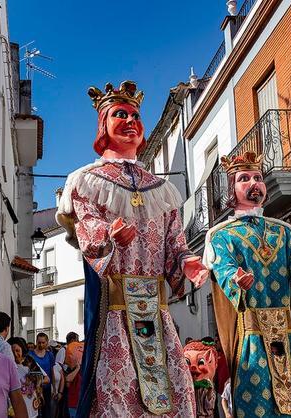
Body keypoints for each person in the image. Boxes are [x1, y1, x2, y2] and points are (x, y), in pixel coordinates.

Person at [55, 80, 208, 416]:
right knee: (118, 389)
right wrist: (110, 234)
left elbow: (174, 243)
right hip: (116, 310)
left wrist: (187, 263)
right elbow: (87, 227)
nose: (130, 121)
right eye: (119, 114)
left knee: (169, 388)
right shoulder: (87, 180)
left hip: (157, 312)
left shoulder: (163, 189)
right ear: (103, 126)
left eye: (136, 115)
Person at [203, 151, 291, 417]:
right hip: (250, 337)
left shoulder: (285, 231)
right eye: (244, 178)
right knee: (257, 403)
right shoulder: (221, 236)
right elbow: (224, 268)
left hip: (286, 335)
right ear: (232, 189)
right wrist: (236, 280)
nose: (254, 183)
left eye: (257, 177)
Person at [8, 338, 47, 418]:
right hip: (15, 408)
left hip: (32, 407)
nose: (15, 354)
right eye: (12, 351)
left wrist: (34, 380)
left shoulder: (30, 362)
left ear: (23, 350)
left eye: (17, 350)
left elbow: (46, 379)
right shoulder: (8, 365)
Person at [183, 340, 218, 418]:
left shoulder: (207, 386)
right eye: (187, 362)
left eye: (201, 362)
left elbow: (209, 406)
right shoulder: (185, 388)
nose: (193, 367)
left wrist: (209, 391)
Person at [29, 333, 55, 417]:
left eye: (43, 342)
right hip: (34, 389)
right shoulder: (30, 354)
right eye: (39, 342)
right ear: (36, 341)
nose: (41, 344)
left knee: (47, 412)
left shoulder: (49, 355)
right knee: (35, 411)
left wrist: (53, 387)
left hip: (46, 388)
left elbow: (52, 371)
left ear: (47, 342)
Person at [53, 332, 78, 418]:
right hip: (65, 383)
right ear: (72, 340)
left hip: (73, 383)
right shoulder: (63, 351)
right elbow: (59, 367)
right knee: (64, 406)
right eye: (76, 340)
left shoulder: (73, 351)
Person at [62, 341, 83, 418]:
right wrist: (77, 368)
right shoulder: (69, 368)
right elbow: (67, 381)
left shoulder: (86, 368)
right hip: (73, 402)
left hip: (82, 402)